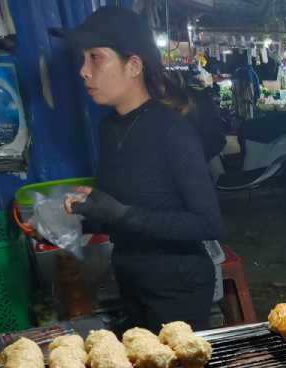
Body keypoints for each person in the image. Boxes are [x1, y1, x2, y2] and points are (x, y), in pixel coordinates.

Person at [61, 6, 223, 330]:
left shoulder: (172, 130)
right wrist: (84, 214)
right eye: (82, 59)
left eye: (95, 58)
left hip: (177, 288)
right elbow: (132, 203)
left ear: (133, 65)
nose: (83, 71)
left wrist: (120, 214)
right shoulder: (109, 128)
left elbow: (209, 224)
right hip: (130, 277)